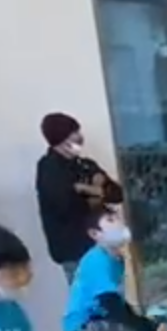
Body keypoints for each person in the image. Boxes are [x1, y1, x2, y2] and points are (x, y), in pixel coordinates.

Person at [64, 207, 164, 331]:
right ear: (94, 234)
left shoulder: (115, 260)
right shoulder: (97, 260)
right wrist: (149, 327)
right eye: (110, 220)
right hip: (84, 326)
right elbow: (111, 305)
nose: (118, 223)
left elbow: (117, 302)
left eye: (118, 218)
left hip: (99, 319)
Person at [36, 113, 121, 284]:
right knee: (89, 295)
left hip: (103, 243)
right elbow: (65, 205)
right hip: (74, 249)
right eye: (73, 133)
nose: (79, 137)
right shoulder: (49, 168)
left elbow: (117, 194)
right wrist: (95, 191)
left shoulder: (85, 165)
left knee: (113, 290)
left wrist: (86, 189)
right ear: (61, 138)